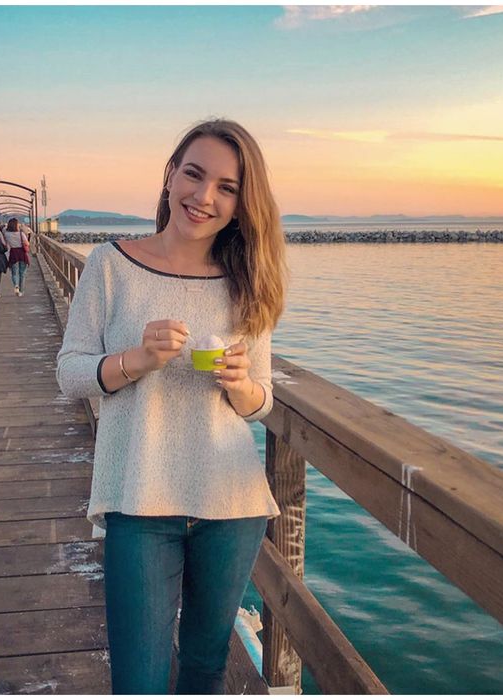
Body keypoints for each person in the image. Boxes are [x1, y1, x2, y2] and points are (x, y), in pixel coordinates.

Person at [56, 119, 288, 694]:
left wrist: (240, 386)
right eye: (193, 174)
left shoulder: (248, 280)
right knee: (138, 680)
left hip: (230, 504)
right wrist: (136, 360)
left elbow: (261, 401)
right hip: (139, 498)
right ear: (169, 176)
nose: (204, 196)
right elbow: (70, 373)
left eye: (227, 187)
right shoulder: (110, 264)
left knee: (206, 670)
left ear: (241, 204)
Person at [3, 217, 30, 296]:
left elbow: (5, 244)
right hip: (22, 253)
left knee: (14, 272)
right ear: (16, 225)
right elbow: (27, 243)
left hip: (13, 253)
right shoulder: (21, 234)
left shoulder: (7, 234)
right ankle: (21, 291)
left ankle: (16, 285)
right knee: (22, 273)